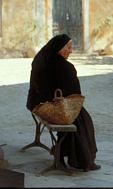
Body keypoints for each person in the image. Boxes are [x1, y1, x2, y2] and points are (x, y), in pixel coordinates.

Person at [26, 34, 100, 172]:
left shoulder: (41, 58)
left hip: (35, 103)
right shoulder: (65, 67)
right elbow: (75, 95)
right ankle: (83, 161)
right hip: (50, 107)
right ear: (59, 48)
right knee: (83, 121)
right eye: (69, 47)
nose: (71, 51)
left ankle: (61, 152)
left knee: (78, 119)